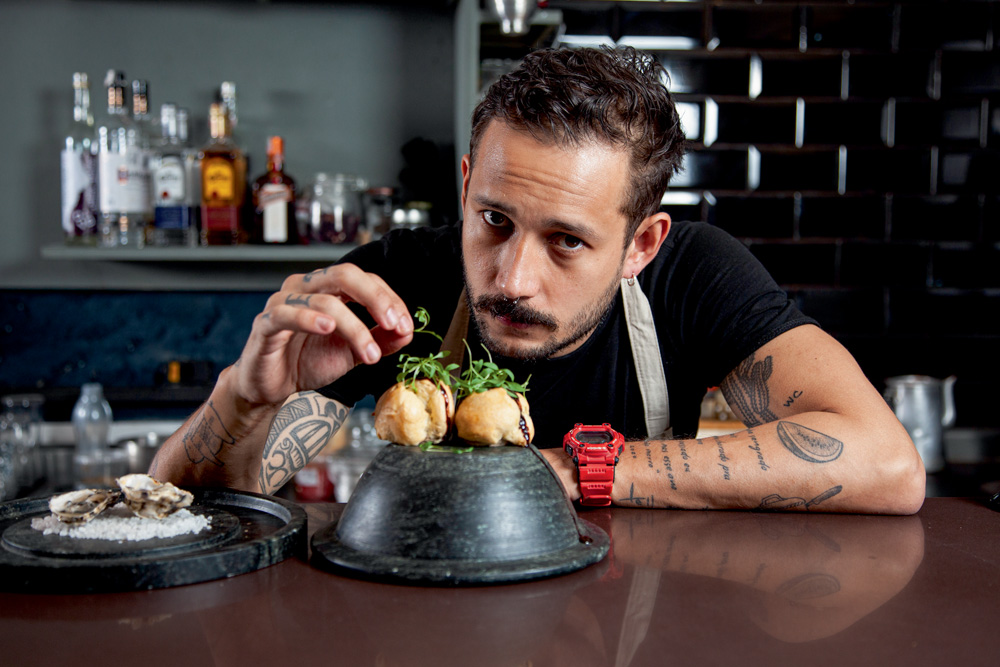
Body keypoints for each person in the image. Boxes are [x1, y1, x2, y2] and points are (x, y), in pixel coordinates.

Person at [153, 47, 925, 514]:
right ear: (464, 188)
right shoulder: (400, 284)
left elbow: (887, 465)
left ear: (639, 244)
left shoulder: (694, 275)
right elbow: (196, 503)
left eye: (566, 241)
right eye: (493, 220)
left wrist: (570, 468)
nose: (511, 278)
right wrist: (244, 399)